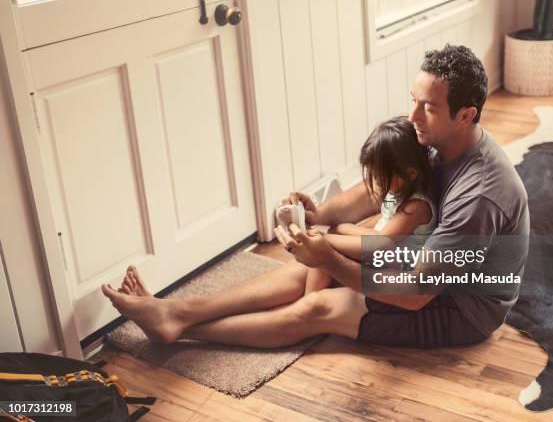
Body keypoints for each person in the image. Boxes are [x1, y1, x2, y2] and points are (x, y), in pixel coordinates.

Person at [101, 44, 529, 349]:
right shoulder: (435, 137)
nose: (413, 116)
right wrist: (318, 213)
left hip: (459, 307)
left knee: (322, 306)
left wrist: (329, 258)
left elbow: (416, 293)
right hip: (423, 267)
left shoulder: (479, 196)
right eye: (413, 101)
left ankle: (183, 330)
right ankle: (177, 312)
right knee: (302, 267)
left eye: (428, 107)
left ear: (467, 114)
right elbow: (381, 186)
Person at [304, 116, 436, 294]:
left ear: (410, 173)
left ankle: (311, 299)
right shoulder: (396, 192)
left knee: (326, 248)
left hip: (400, 267)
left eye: (381, 178)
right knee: (331, 241)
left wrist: (330, 236)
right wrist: (339, 229)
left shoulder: (417, 207)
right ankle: (311, 297)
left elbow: (382, 242)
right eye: (373, 176)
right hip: (384, 251)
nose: (376, 183)